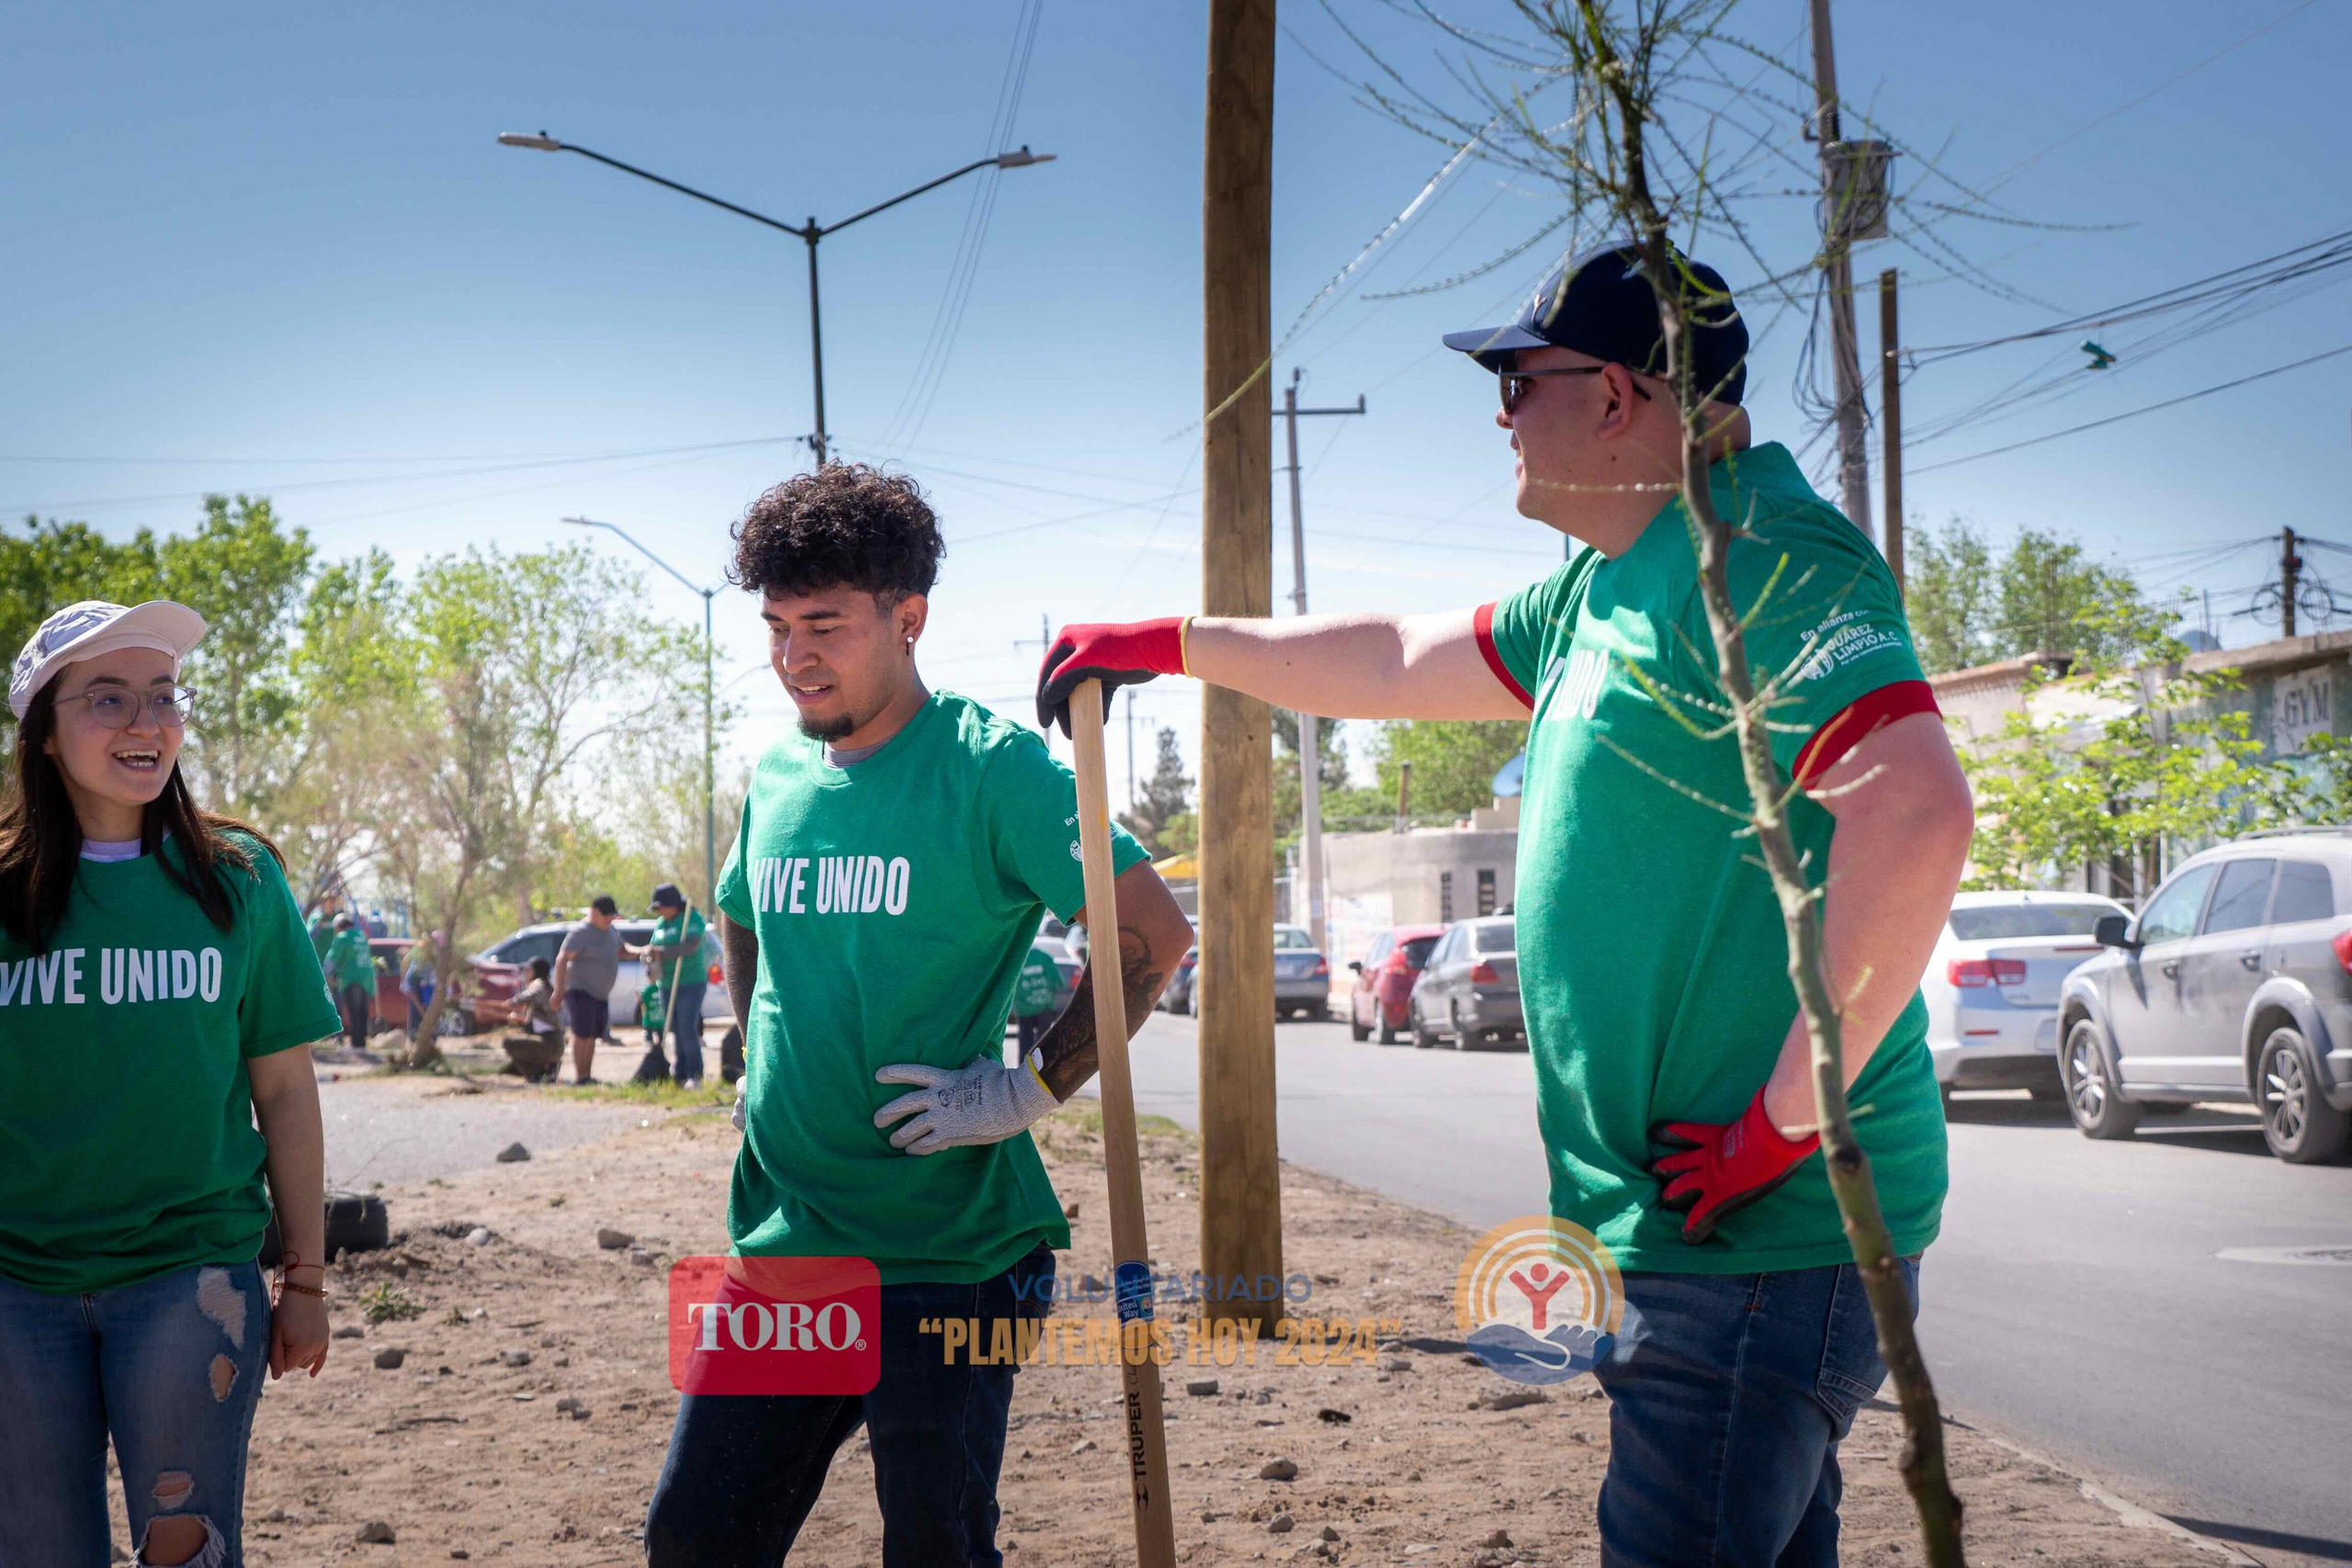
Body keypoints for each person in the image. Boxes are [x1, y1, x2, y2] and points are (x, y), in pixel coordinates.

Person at [1035, 246, 1974, 1566]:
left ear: (1612, 394)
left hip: (1758, 1248)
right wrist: (1180, 643)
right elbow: (1395, 654)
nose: (1498, 414)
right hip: (1699, 1246)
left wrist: (1786, 1117)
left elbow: (1919, 810)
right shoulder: (1611, 580)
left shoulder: (1761, 561)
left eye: (1516, 380)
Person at [643, 465, 1194, 1566]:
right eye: (777, 626)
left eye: (826, 626)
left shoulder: (994, 773)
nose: (794, 655)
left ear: (908, 619)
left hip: (949, 1248)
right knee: (695, 1542)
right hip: (790, 1239)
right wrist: (757, 1043)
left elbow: (1152, 938)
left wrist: (1026, 1089)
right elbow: (741, 914)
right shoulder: (778, 777)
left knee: (934, 1547)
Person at [0, 600, 343, 1568]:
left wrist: (306, 1277)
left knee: (185, 1554)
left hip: (186, 1280)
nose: (146, 722)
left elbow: (283, 1089)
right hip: (14, 1287)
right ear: (45, 729)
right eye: (107, 699)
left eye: (162, 696)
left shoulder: (239, 881)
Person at [633, 883, 707, 1088]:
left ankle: (694, 1073)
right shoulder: (660, 924)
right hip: (666, 982)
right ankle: (679, 1070)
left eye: (660, 907)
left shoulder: (692, 918)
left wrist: (663, 953)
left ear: (673, 905)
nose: (658, 911)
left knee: (686, 1027)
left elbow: (691, 945)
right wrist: (651, 955)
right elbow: (653, 946)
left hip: (691, 982)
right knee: (673, 1027)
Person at [553, 893, 622, 1086]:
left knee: (592, 1035)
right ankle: (580, 1076)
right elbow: (562, 959)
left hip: (600, 994)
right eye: (606, 915)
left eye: (611, 916)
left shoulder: (611, 931)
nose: (609, 919)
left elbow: (622, 949)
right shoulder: (581, 932)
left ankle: (587, 1076)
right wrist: (558, 991)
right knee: (581, 1033)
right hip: (580, 991)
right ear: (594, 912)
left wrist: (643, 951)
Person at [323, 910, 376, 1055]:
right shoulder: (361, 936)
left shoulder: (342, 937)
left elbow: (331, 959)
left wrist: (325, 975)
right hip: (366, 979)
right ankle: (361, 1044)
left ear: (339, 927)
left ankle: (355, 1045)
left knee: (353, 1011)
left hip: (351, 979)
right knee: (362, 1012)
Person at [508, 955, 563, 1082]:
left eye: (528, 969)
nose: (525, 973)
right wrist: (518, 1019)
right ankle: (548, 1070)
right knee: (520, 1039)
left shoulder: (540, 985)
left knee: (510, 1043)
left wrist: (513, 1002)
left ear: (536, 972)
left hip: (551, 1042)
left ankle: (537, 1074)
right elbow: (533, 1025)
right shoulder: (546, 987)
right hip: (553, 1042)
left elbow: (530, 995)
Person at [1011, 941, 1061, 1060]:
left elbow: (1010, 985)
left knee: (1025, 1041)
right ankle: (1045, 1069)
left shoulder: (1017, 958)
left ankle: (1023, 1071)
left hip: (1023, 1008)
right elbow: (1057, 981)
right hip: (1044, 1006)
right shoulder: (1044, 957)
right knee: (1044, 1042)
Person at [401, 930, 441, 1042]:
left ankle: (431, 1037)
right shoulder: (420, 947)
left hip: (428, 982)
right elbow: (405, 960)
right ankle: (414, 1036)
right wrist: (403, 981)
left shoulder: (438, 952)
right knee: (416, 1010)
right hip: (415, 980)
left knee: (431, 1008)